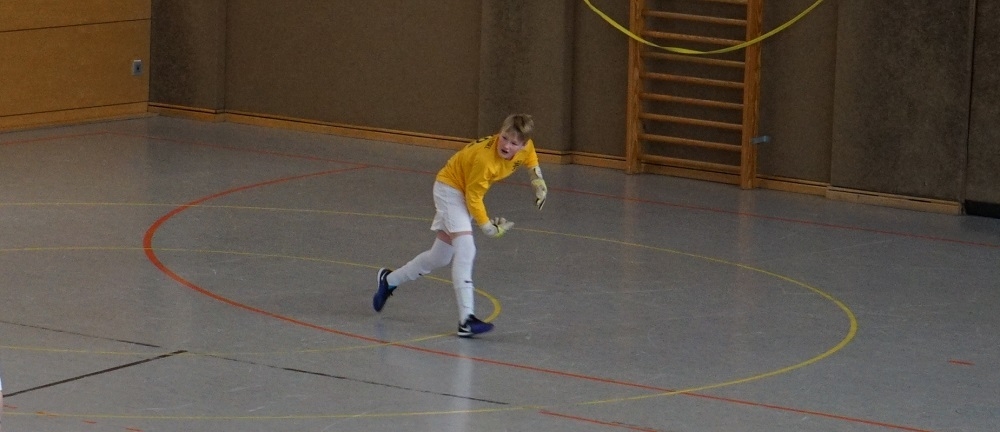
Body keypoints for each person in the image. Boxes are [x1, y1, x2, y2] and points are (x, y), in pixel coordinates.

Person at [373, 113, 548, 337]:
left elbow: (530, 154)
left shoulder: (525, 147)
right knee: (466, 249)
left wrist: (537, 179)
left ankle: (389, 280)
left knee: (439, 257)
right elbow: (474, 198)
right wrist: (488, 228)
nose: (506, 145)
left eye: (513, 143)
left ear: (522, 144)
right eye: (504, 138)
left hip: (463, 191)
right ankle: (466, 320)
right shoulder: (485, 160)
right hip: (450, 189)